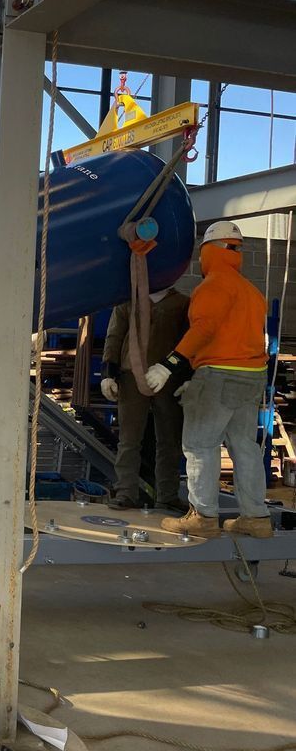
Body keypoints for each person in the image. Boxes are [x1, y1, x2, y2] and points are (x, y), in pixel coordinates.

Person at [145, 221, 270, 539]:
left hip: (219, 375)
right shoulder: (252, 292)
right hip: (252, 377)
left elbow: (204, 329)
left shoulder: (213, 286)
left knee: (199, 446)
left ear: (209, 253)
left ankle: (202, 516)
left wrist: (169, 365)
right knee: (245, 447)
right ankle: (256, 517)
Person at [100, 288, 189, 511]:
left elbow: (190, 341)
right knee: (129, 438)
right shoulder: (128, 301)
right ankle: (125, 492)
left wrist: (189, 378)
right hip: (131, 376)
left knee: (170, 440)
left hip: (169, 378)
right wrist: (108, 373)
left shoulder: (182, 304)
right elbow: (115, 335)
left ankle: (167, 495)